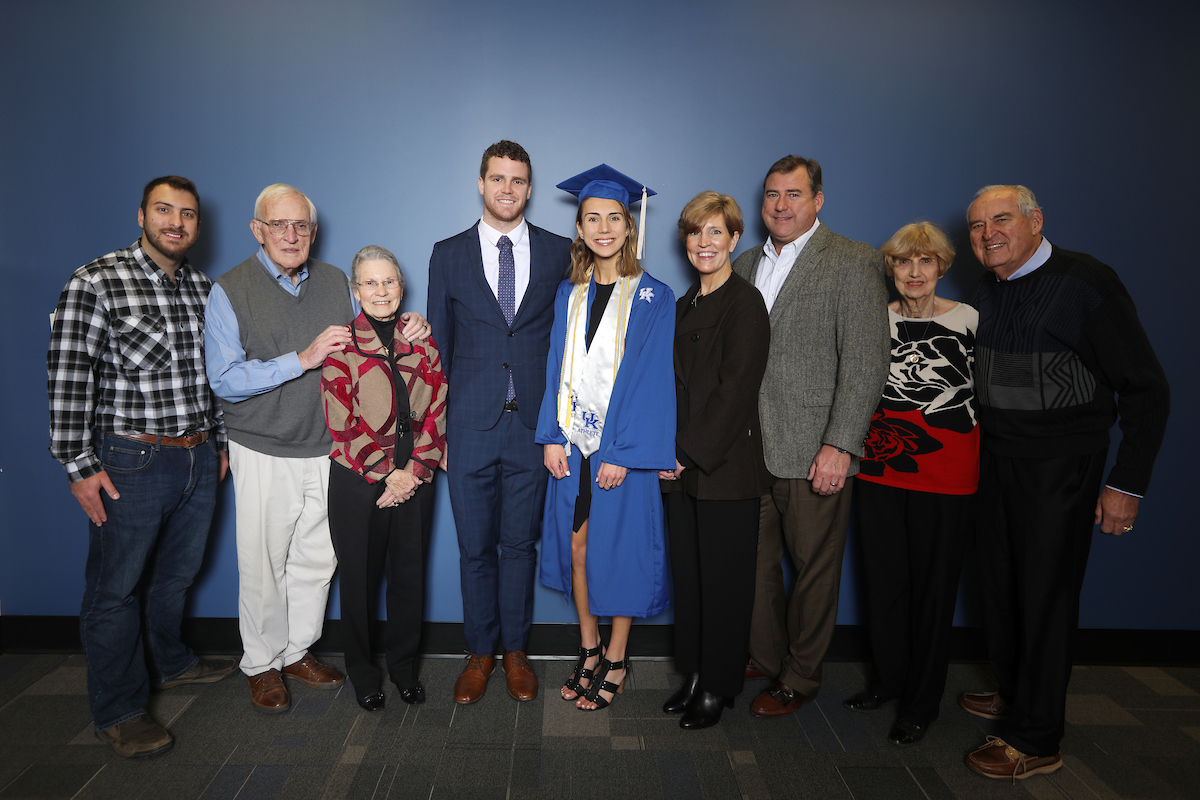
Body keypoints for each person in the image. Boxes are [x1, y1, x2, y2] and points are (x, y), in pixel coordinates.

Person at [961, 185, 1170, 779]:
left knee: (1045, 598)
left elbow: (1149, 390)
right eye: (977, 225)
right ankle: (1017, 693)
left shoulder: (1087, 283)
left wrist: (1126, 483)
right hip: (995, 461)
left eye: (1001, 220)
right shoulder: (990, 289)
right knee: (999, 590)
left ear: (1036, 222)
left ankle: (1035, 737)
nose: (987, 234)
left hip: (1061, 466)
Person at [205, 184, 429, 713]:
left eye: (300, 226)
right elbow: (224, 378)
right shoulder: (230, 289)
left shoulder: (335, 282)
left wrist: (414, 324)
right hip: (264, 445)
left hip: (332, 450)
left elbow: (377, 326)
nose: (290, 235)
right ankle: (261, 664)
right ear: (258, 230)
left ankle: (296, 651)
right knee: (263, 560)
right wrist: (300, 359)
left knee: (317, 558)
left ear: (313, 230)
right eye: (278, 225)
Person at [47, 176, 236, 757]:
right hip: (130, 457)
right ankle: (121, 710)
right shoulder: (97, 280)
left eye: (187, 214)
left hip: (199, 455)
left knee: (176, 576)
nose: (175, 223)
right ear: (141, 216)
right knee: (116, 589)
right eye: (164, 211)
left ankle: (172, 663)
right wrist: (77, 464)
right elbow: (69, 373)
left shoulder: (204, 289)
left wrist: (222, 441)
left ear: (197, 225)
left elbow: (217, 374)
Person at [732, 155, 890, 717]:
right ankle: (769, 656)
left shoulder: (853, 262)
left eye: (794, 195)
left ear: (818, 200)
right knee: (752, 567)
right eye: (772, 194)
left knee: (814, 572)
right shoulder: (746, 262)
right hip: (749, 450)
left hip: (813, 447)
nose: (780, 205)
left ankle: (801, 676)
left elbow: (867, 363)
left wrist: (841, 444)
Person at [427, 141, 571, 704]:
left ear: (529, 188)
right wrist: (435, 434)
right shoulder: (448, 253)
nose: (507, 190)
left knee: (520, 546)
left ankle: (516, 653)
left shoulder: (562, 251)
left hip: (534, 427)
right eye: (497, 179)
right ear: (481, 184)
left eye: (517, 181)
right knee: (474, 548)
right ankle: (479, 653)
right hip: (467, 427)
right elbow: (438, 346)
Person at [537, 164, 676, 711]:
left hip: (621, 450)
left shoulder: (653, 296)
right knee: (578, 548)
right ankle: (589, 648)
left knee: (620, 551)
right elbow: (555, 367)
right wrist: (551, 435)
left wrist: (621, 451)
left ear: (629, 226)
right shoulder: (566, 295)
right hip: (571, 443)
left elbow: (651, 379)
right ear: (579, 228)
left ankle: (618, 655)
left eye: (614, 218)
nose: (603, 227)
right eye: (592, 218)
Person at [842, 222, 979, 747]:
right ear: (891, 269)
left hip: (947, 474)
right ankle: (887, 683)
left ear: (942, 267)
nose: (914, 273)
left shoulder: (969, 319)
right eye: (903, 262)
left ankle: (921, 704)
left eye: (925, 262)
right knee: (885, 583)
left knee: (933, 591)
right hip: (880, 467)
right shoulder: (875, 320)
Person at [658, 192, 771, 729]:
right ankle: (696, 673)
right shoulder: (683, 305)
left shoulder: (745, 304)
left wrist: (684, 453)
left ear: (733, 239)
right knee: (693, 578)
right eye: (696, 232)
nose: (705, 242)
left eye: (716, 233)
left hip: (722, 468)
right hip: (680, 471)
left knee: (725, 583)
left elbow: (735, 393)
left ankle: (719, 685)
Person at [322, 246, 447, 712]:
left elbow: (437, 411)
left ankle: (404, 670)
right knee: (358, 582)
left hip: (416, 478)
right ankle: (364, 673)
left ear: (401, 286)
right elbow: (341, 424)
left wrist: (412, 473)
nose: (380, 291)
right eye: (370, 283)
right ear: (356, 290)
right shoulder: (341, 345)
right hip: (359, 481)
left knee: (408, 580)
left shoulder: (424, 344)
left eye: (388, 281)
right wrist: (386, 475)